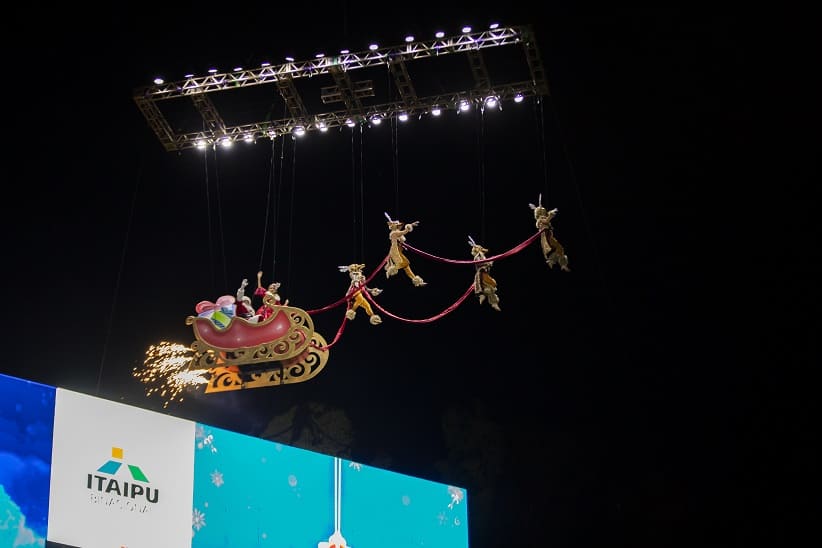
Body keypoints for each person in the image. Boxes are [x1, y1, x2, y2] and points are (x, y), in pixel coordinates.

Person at [529, 195, 570, 272]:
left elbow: (548, 215)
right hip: (546, 236)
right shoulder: (539, 220)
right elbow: (545, 221)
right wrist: (550, 216)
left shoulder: (543, 217)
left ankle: (560, 263)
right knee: (559, 248)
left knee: (560, 249)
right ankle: (553, 260)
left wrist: (552, 212)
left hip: (550, 236)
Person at [384, 212, 426, 286]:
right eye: (398, 226)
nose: (400, 226)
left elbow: (402, 237)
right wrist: (410, 226)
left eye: (399, 226)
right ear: (395, 227)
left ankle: (417, 281)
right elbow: (405, 231)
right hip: (395, 252)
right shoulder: (394, 233)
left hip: (399, 251)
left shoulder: (397, 233)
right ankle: (390, 270)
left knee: (406, 267)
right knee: (405, 263)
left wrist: (412, 224)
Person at [468, 236, 501, 311]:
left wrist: (490, 262)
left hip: (485, 274)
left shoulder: (482, 255)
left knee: (490, 289)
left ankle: (494, 303)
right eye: (480, 248)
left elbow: (486, 262)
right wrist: (488, 263)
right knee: (486, 287)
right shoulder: (477, 256)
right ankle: (482, 295)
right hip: (481, 274)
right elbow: (479, 264)